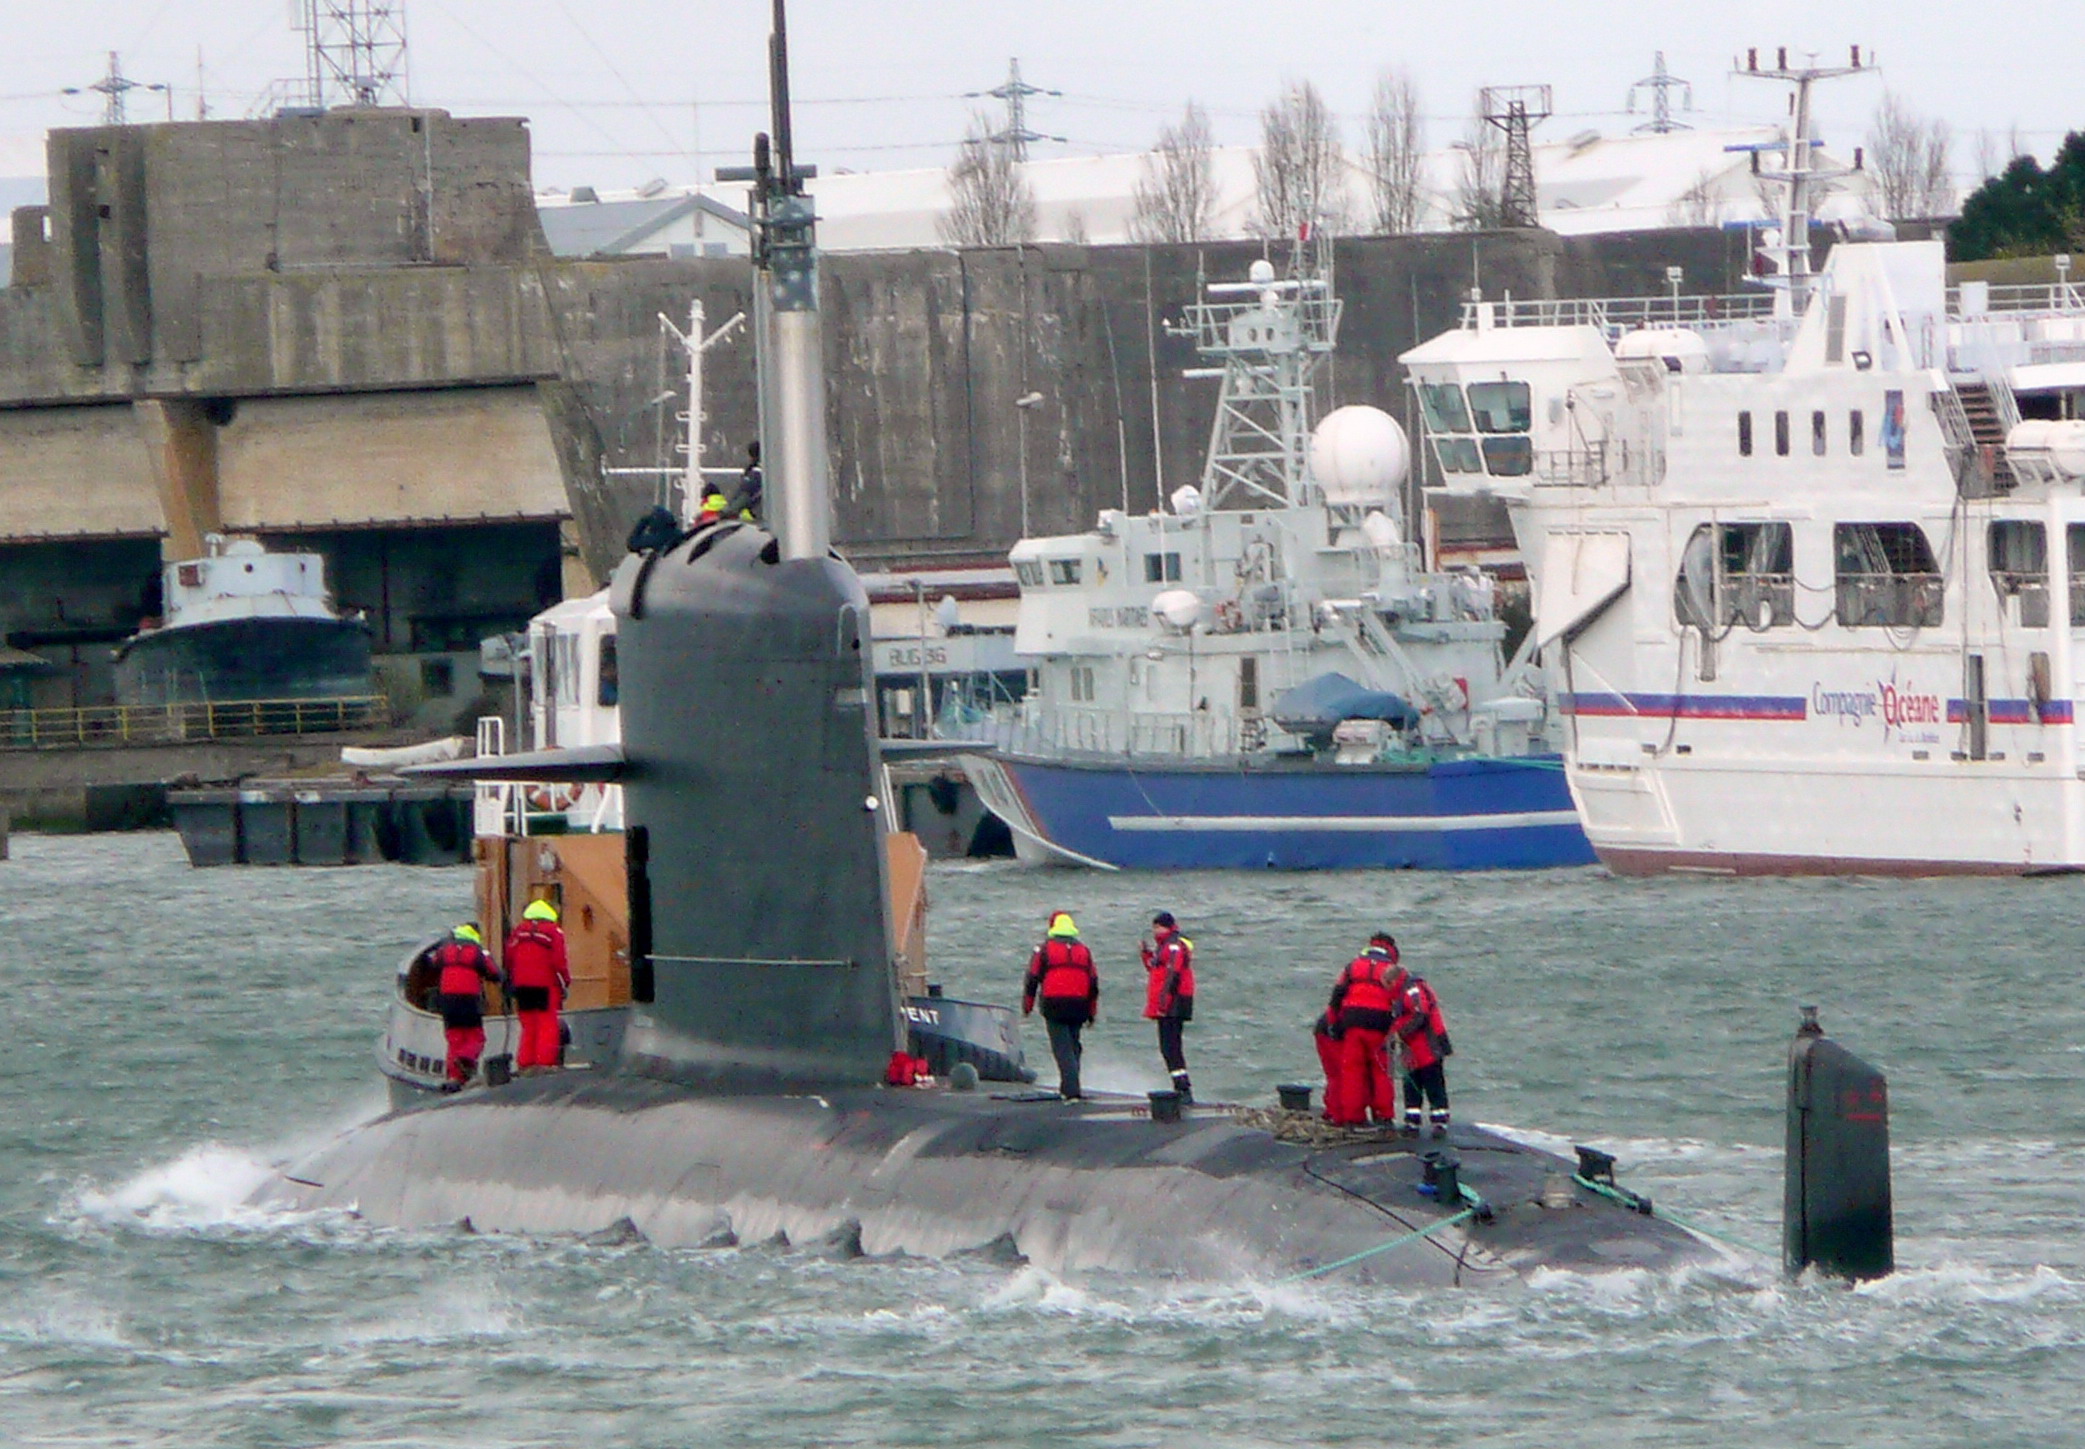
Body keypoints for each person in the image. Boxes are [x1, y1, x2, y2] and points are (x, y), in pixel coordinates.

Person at [1325, 931, 1401, 1126]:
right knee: (1382, 1070)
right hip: (1380, 1023)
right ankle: (1384, 1116)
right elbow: (1401, 1002)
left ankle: (1353, 1117)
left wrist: (1334, 1025)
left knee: (1352, 1070)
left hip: (1352, 1022)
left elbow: (1336, 998)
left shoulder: (1352, 967)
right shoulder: (1393, 969)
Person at [1022, 910, 1099, 1100]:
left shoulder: (1044, 949)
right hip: (1079, 1005)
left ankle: (1071, 1091)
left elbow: (1032, 979)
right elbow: (1094, 983)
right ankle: (1071, 1086)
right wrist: (1092, 1013)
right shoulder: (1084, 950)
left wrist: (1028, 1005)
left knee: (1062, 1048)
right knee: (1074, 1046)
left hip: (1054, 1004)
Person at [504, 898, 571, 1074]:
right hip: (545, 984)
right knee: (547, 1024)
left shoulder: (519, 931)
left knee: (528, 1025)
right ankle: (544, 1063)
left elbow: (509, 958)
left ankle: (525, 1062)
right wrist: (565, 981)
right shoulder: (554, 932)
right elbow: (559, 961)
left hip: (521, 985)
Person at [1389, 959, 1453, 1136]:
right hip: (1413, 1048)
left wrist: (1401, 1032)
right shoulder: (1404, 991)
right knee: (1412, 1083)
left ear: (1393, 981)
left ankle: (1439, 1121)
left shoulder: (1411, 990)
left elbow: (1420, 1013)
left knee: (1433, 1084)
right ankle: (1412, 1120)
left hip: (1427, 1046)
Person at [433, 921, 498, 1092]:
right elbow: (493, 972)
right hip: (469, 999)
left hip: (447, 1000)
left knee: (454, 1038)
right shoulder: (477, 951)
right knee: (475, 1036)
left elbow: (434, 963)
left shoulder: (444, 950)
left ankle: (455, 1077)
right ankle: (466, 1058)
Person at [1141, 911, 1195, 1103]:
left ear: (1167, 926)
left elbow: (1173, 973)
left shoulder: (1172, 945)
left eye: (1158, 927)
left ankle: (1183, 1089)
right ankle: (1181, 1086)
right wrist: (1146, 953)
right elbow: (1157, 968)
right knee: (1169, 1046)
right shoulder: (1164, 946)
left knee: (1170, 1046)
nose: (1155, 931)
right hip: (1170, 1002)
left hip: (1173, 1003)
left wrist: (1164, 1001)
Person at [1312, 1008, 1347, 1124]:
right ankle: (1338, 1115)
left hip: (1326, 1029)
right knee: (1341, 1075)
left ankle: (1332, 1111)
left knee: (1335, 1075)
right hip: (1333, 1031)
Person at [729, 440, 764, 521]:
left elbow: (744, 496)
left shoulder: (755, 473)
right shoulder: (764, 472)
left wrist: (729, 511)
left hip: (755, 518)